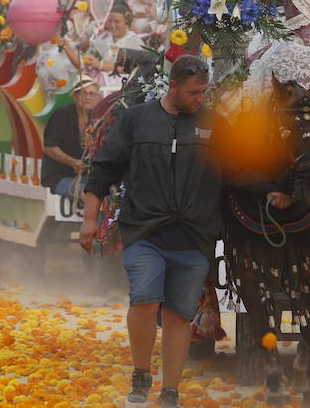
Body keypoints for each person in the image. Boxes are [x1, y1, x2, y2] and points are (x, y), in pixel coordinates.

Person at [81, 56, 220, 408]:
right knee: (144, 299)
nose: (200, 99)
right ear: (173, 86)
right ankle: (141, 373)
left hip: (193, 237)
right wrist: (90, 219)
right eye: (193, 92)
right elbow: (103, 169)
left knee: (179, 314)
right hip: (145, 233)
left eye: (204, 91)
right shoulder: (136, 120)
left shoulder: (214, 125)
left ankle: (170, 390)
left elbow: (239, 173)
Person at [42, 75, 100, 198]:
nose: (88, 98)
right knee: (89, 194)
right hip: (59, 177)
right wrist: (73, 162)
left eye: (92, 94)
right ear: (75, 96)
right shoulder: (62, 115)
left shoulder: (95, 118)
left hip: (87, 177)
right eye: (84, 93)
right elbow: (50, 148)